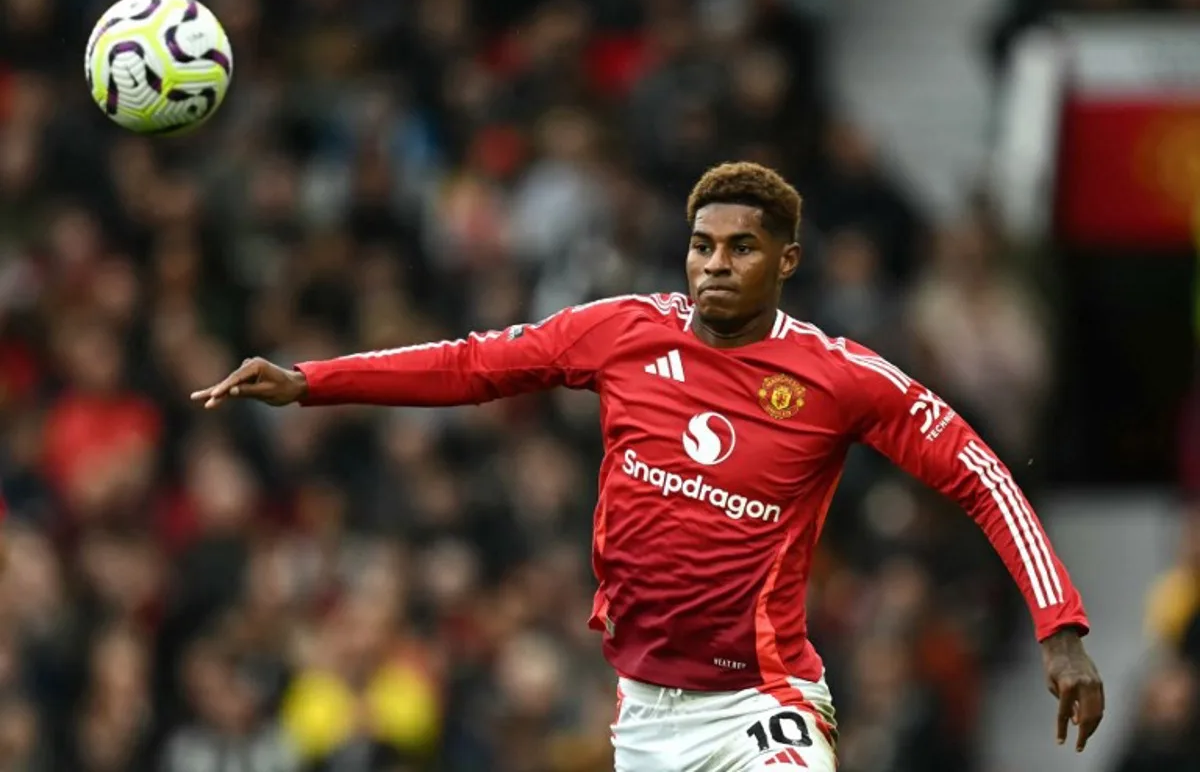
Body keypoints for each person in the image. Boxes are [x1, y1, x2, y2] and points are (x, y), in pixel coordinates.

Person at [192, 162, 1104, 771]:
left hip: (763, 701)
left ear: (786, 262)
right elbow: (475, 364)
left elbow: (979, 474)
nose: (715, 265)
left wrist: (1058, 625)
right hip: (645, 713)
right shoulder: (624, 332)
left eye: (741, 248)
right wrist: (312, 381)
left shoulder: (838, 378)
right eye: (703, 244)